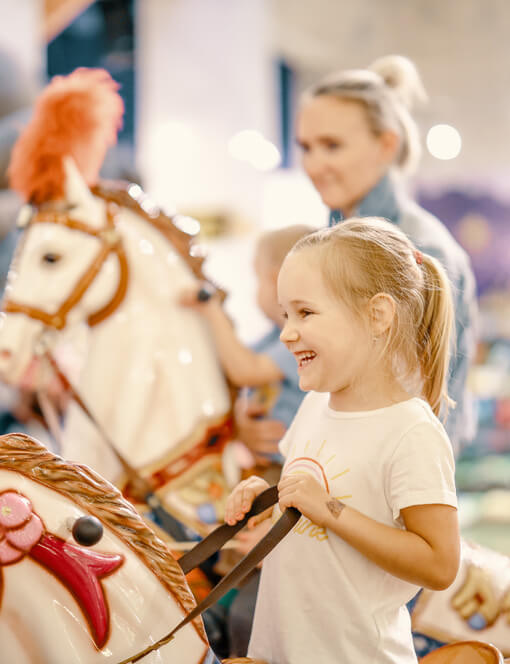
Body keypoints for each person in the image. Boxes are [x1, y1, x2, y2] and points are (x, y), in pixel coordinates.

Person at [225, 217, 460, 664]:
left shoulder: (410, 432)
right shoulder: (315, 404)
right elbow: (310, 500)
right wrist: (266, 502)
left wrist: (330, 510)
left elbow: (439, 564)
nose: (286, 333)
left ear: (377, 315)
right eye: (285, 315)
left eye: (306, 312)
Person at [236, 54, 477, 459]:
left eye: (332, 146)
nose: (315, 164)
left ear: (386, 144)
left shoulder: (420, 248)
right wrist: (249, 413)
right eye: (306, 148)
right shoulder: (330, 243)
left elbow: (407, 401)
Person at [180, 224, 312, 464]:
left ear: (274, 280)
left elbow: (245, 370)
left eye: (257, 278)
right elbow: (233, 361)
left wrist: (212, 310)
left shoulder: (303, 339)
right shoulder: (275, 335)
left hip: (291, 467)